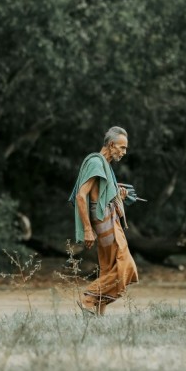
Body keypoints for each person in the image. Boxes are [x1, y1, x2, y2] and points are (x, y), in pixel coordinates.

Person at [68, 126, 139, 315]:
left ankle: (98, 317)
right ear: (110, 145)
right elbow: (81, 197)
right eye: (122, 148)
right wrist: (88, 229)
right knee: (126, 266)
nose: (124, 152)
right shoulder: (96, 163)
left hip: (110, 220)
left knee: (109, 269)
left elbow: (100, 196)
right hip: (105, 224)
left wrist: (119, 195)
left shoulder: (104, 165)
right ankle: (88, 298)